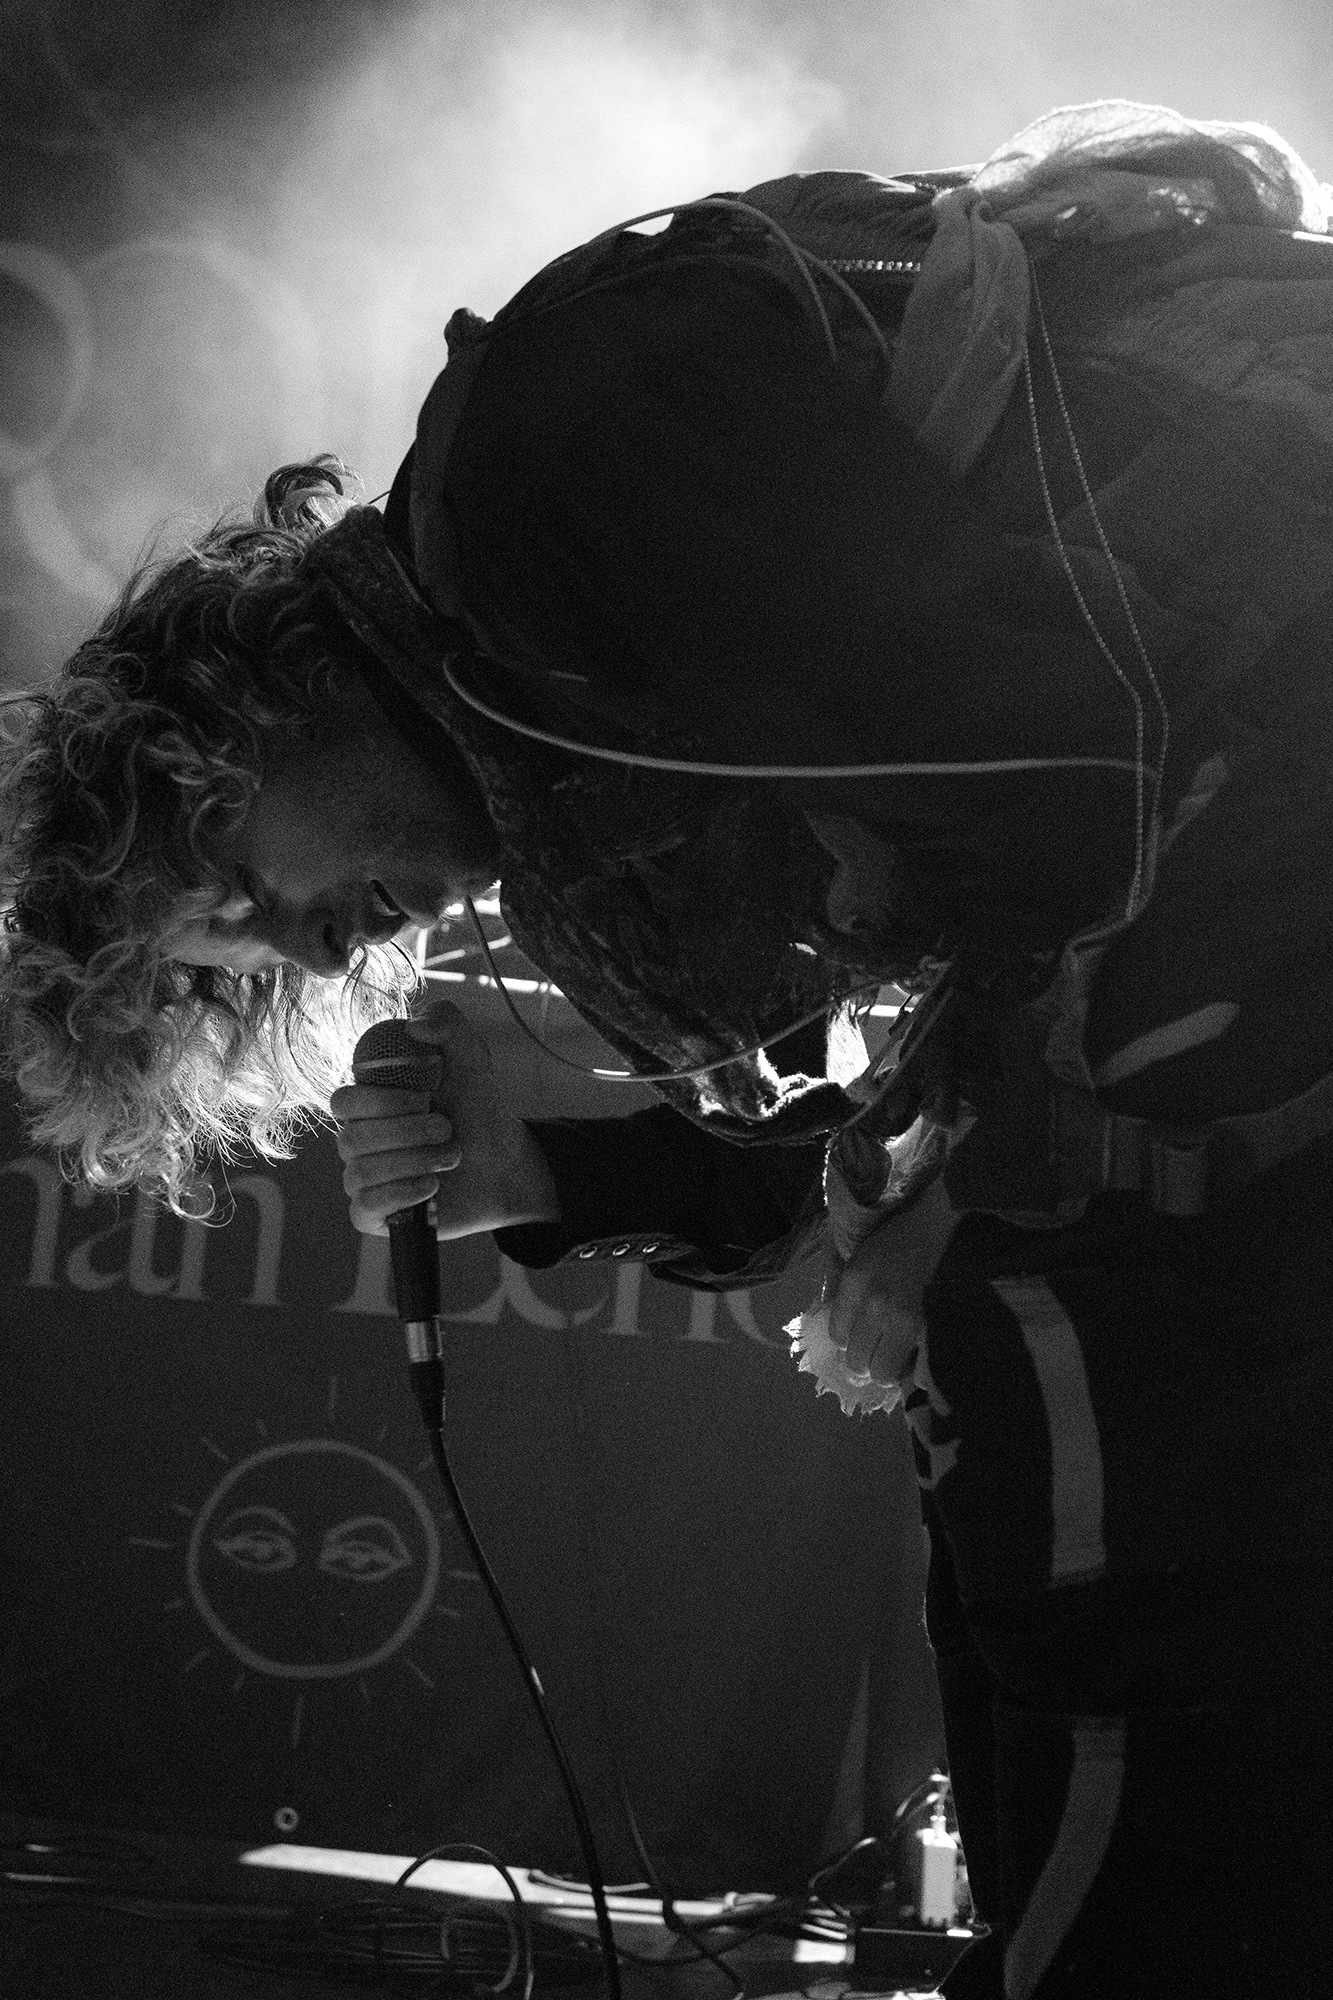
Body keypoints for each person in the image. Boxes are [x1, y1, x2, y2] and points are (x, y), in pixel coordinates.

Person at [5, 98, 1333, 1993]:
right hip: (1257, 834)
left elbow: (1061, 782)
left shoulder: (540, 472)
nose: (300, 947)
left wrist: (962, 1186)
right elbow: (964, 935)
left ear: (236, 712)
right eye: (248, 978)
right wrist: (558, 1168)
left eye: (228, 887)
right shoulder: (547, 663)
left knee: (1103, 1493)